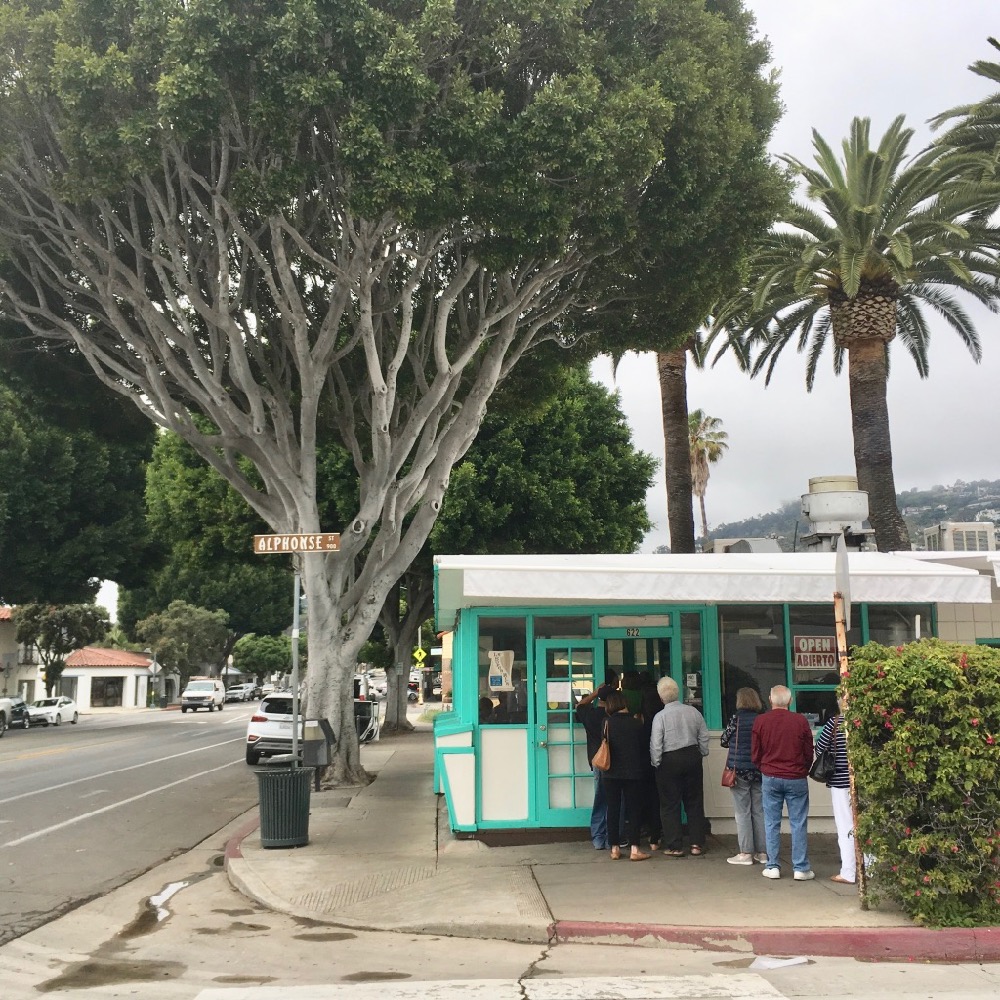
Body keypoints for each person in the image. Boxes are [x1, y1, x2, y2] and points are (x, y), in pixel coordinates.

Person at [751, 685, 815, 881]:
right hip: (796, 777)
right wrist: (803, 769)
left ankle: (773, 866)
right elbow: (808, 751)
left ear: (770, 700)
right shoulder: (800, 721)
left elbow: (755, 753)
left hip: (770, 776)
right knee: (798, 823)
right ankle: (801, 868)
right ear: (790, 701)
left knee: (771, 823)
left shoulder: (761, 721)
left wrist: (764, 767)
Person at [649, 676, 709, 857]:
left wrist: (656, 762)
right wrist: (702, 752)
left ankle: (675, 846)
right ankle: (696, 844)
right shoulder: (693, 712)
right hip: (692, 756)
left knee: (669, 804)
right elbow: (703, 736)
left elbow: (656, 744)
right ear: (678, 693)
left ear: (661, 697)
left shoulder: (660, 717)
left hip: (669, 760)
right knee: (695, 801)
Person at [600, 690, 650, 861]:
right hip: (633, 772)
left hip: (610, 772)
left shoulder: (606, 722)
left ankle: (614, 848)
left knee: (613, 809)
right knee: (634, 809)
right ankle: (635, 849)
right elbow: (644, 747)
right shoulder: (636, 723)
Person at [720, 687, 767, 865]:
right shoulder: (762, 720)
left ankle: (746, 852)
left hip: (738, 770)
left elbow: (724, 740)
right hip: (759, 770)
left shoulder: (736, 719)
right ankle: (763, 853)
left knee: (742, 812)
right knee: (759, 811)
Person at [815, 697, 855, 884]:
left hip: (840, 782)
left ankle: (849, 871)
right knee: (867, 824)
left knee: (845, 826)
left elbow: (820, 748)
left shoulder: (834, 723)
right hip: (864, 783)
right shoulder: (864, 723)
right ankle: (870, 868)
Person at [575, 683, 611, 850]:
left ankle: (598, 837)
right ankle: (612, 837)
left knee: (600, 799)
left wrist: (594, 693)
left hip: (598, 760)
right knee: (616, 801)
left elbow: (579, 706)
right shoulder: (613, 716)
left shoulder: (590, 715)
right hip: (615, 762)